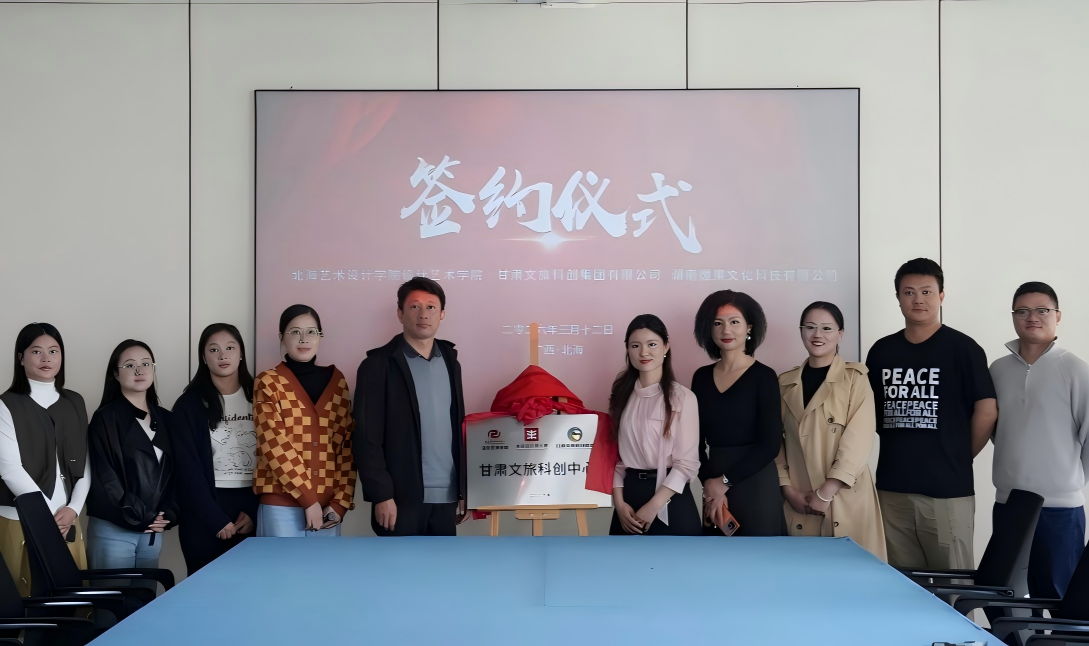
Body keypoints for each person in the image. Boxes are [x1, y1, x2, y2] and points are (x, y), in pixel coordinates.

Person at [865, 258, 997, 569]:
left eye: (926, 291)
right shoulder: (882, 351)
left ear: (941, 296)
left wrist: (959, 455)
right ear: (898, 297)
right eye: (909, 292)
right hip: (892, 489)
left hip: (947, 492)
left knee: (953, 584)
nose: (918, 300)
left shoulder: (963, 348)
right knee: (902, 584)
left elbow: (987, 410)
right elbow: (869, 413)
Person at [990, 281, 1088, 598]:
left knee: (1060, 600)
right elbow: (997, 430)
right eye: (1022, 311)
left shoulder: (1076, 369)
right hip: (1008, 504)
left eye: (1042, 310)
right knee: (1003, 597)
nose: (1032, 317)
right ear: (1013, 316)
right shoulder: (997, 369)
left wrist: (1067, 481)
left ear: (1057, 315)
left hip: (1059, 510)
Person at [357, 277, 468, 536]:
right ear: (400, 313)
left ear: (442, 314)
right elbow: (366, 437)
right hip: (399, 498)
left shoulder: (451, 362)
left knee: (444, 562)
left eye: (431, 307)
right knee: (399, 563)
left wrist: (463, 490)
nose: (423, 314)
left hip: (447, 496)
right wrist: (381, 494)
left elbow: (457, 428)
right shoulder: (378, 365)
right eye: (414, 306)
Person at [776, 302, 887, 560]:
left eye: (827, 328)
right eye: (810, 327)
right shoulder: (784, 382)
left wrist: (826, 492)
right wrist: (786, 489)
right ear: (801, 331)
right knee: (804, 573)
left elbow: (858, 440)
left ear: (840, 334)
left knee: (853, 573)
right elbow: (776, 441)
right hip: (800, 498)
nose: (818, 334)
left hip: (845, 495)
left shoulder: (855, 378)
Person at [0, 323, 91, 595]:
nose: (46, 358)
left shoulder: (75, 401)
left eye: (53, 351)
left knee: (70, 602)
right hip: (20, 519)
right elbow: (10, 469)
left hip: (67, 518)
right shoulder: (6, 404)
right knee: (24, 600)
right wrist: (46, 519)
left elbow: (84, 463)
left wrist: (73, 509)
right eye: (36, 351)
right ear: (21, 357)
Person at [253, 305, 355, 537]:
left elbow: (346, 447)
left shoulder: (337, 382)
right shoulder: (268, 382)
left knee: (325, 564)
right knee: (281, 563)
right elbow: (274, 445)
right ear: (281, 337)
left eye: (311, 332)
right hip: (281, 505)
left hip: (329, 509)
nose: (303, 339)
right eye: (295, 332)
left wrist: (341, 502)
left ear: (320, 336)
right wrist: (308, 500)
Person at [691, 290, 786, 537]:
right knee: (716, 555)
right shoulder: (701, 377)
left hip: (755, 481)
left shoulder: (764, 376)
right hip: (713, 482)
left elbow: (771, 444)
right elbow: (694, 442)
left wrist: (724, 482)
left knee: (760, 555)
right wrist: (709, 484)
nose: (726, 330)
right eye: (718, 323)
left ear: (749, 327)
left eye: (734, 322)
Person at [172, 323, 259, 573]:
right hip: (203, 508)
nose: (222, 355)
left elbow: (273, 456)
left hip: (250, 502)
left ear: (241, 353)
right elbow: (186, 468)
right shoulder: (188, 404)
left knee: (249, 587)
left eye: (230, 348)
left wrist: (254, 512)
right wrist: (215, 518)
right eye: (214, 349)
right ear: (203, 356)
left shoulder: (260, 397)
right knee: (204, 587)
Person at [86, 340, 176, 577]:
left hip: (152, 531)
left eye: (146, 364)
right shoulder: (105, 418)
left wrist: (169, 513)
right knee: (112, 598)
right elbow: (105, 479)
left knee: (145, 597)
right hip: (113, 529)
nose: (139, 370)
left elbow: (178, 474)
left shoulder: (167, 419)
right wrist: (142, 516)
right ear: (116, 374)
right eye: (129, 365)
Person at [609, 314, 701, 536]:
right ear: (627, 349)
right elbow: (616, 460)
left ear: (666, 347)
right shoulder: (622, 395)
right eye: (635, 345)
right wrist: (619, 504)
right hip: (629, 501)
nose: (644, 352)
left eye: (652, 344)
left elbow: (687, 464)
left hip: (671, 497)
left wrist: (653, 506)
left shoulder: (684, 397)